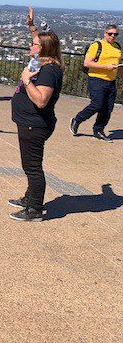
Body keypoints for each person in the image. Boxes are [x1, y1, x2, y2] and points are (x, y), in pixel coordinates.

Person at [9, 31, 63, 221]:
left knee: (32, 167)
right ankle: (29, 199)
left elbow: (41, 100)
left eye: (34, 44)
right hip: (28, 122)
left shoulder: (49, 71)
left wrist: (26, 80)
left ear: (45, 48)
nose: (30, 46)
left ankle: (35, 209)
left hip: (35, 124)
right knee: (29, 165)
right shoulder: (42, 65)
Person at [70, 24, 121, 141]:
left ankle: (98, 130)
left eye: (115, 34)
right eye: (110, 34)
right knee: (96, 104)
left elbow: (118, 67)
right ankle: (77, 119)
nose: (113, 36)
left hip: (111, 81)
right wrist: (105, 67)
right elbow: (87, 63)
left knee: (107, 108)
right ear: (105, 34)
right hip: (96, 79)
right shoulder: (96, 46)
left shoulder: (117, 47)